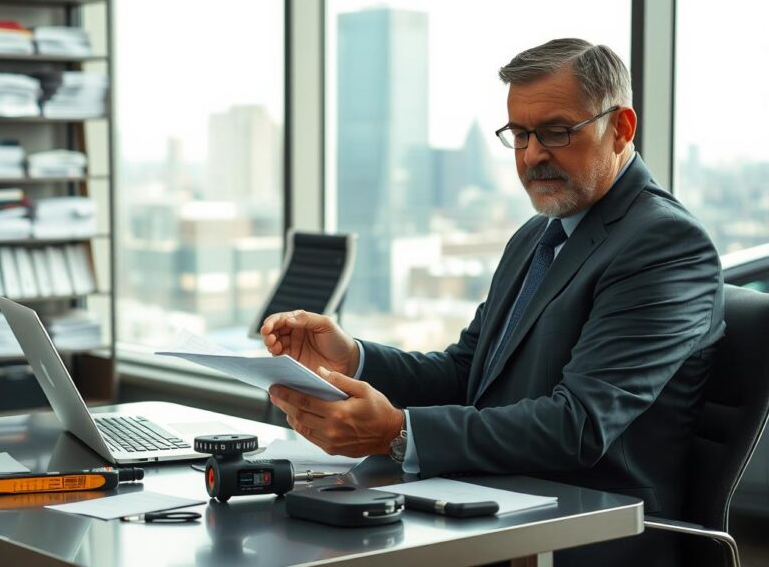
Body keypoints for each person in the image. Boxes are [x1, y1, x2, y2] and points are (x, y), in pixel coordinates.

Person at [260, 38, 724, 566]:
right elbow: (467, 375)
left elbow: (578, 425)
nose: (532, 156)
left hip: (585, 537)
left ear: (620, 128)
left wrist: (397, 432)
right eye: (520, 135)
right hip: (493, 511)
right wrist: (354, 359)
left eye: (555, 132)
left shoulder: (664, 244)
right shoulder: (538, 237)